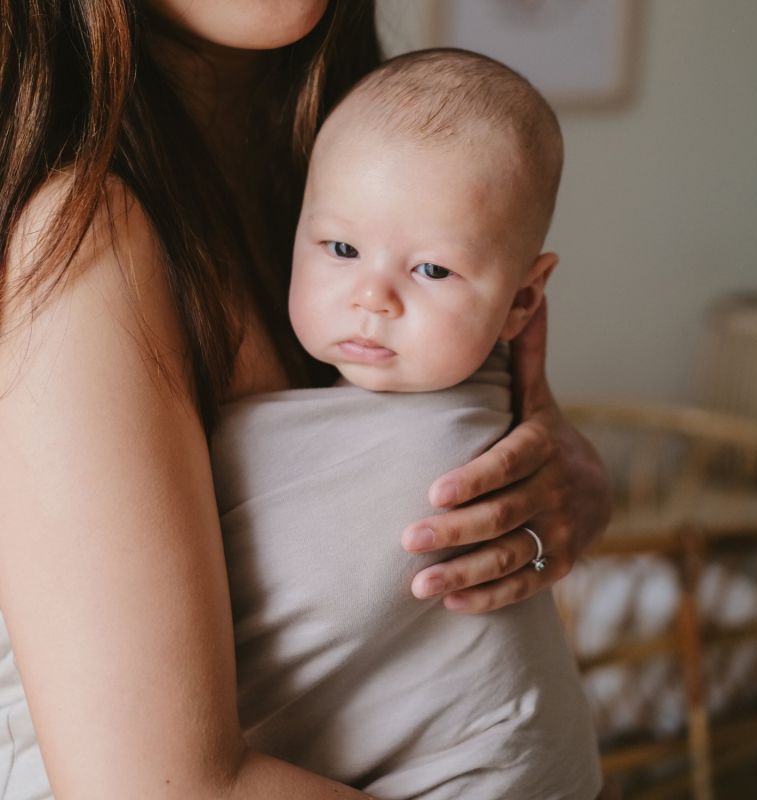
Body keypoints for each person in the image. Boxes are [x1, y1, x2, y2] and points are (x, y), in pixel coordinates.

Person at [0, 2, 610, 798]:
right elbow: (159, 789)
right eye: (342, 250)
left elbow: (465, 489)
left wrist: (566, 495)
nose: (376, 293)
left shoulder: (372, 143)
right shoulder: (81, 237)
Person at [208, 47, 602, 798]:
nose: (374, 298)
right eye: (342, 249)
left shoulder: (465, 444)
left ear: (523, 302)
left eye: (431, 270)